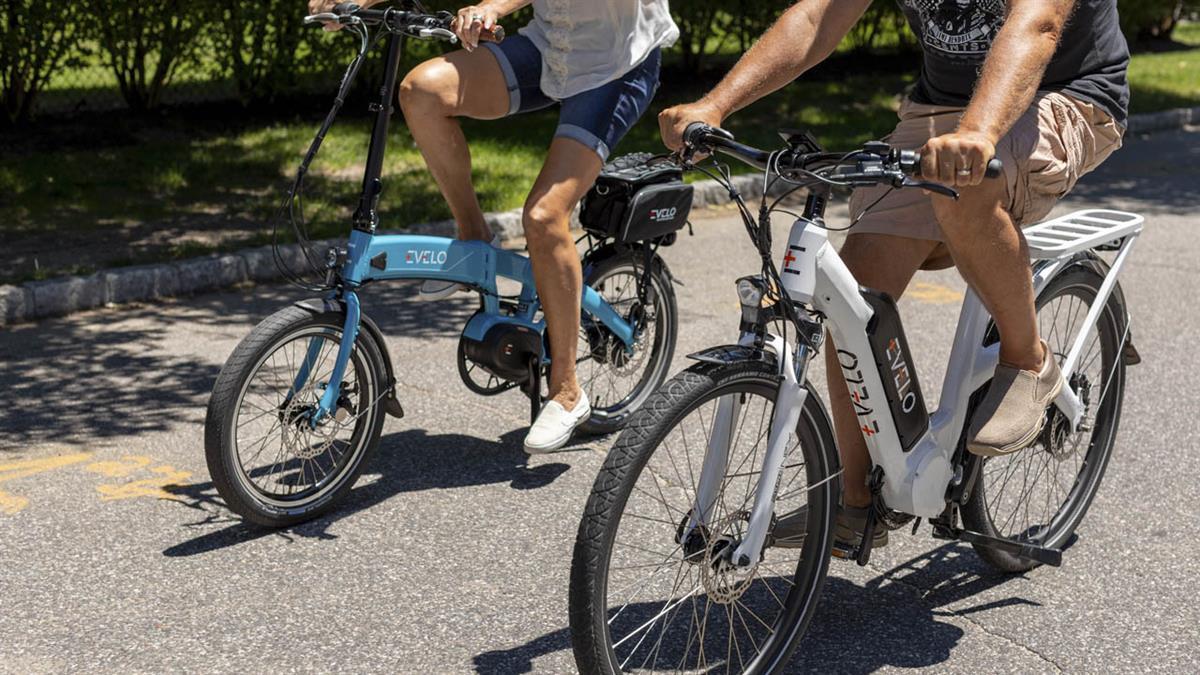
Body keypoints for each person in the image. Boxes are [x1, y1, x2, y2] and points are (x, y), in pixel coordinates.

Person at [659, 0, 1128, 554]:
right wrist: (715, 105)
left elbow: (1039, 23)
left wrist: (978, 130)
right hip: (941, 111)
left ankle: (1028, 359)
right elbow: (817, 17)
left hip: (1065, 96)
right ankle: (856, 505)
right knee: (852, 292)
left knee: (968, 188)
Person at [309, 0, 678, 452]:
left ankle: (566, 391)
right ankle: (473, 234)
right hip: (552, 49)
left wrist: (493, 7)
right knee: (422, 91)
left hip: (618, 65)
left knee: (544, 217)